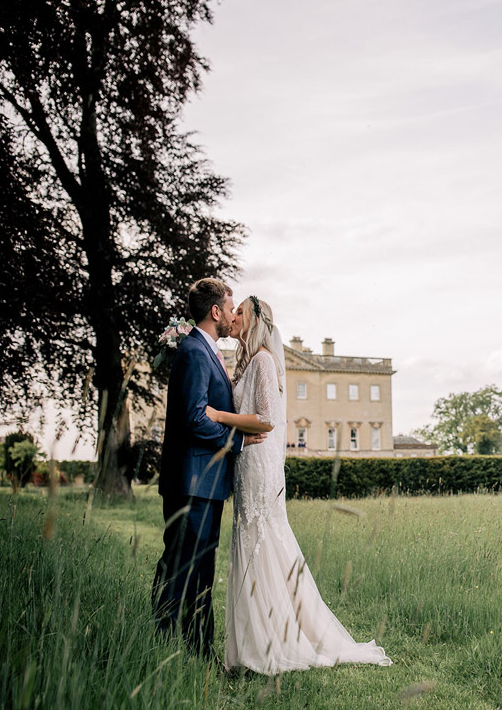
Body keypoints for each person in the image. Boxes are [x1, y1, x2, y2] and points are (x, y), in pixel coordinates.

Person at [207, 295, 392, 674]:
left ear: (256, 319)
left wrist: (218, 415)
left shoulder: (262, 359)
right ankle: (255, 639)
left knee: (260, 540)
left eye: (240, 311)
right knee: (255, 541)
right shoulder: (244, 362)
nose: (233, 316)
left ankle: (269, 643)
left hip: (258, 462)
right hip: (247, 463)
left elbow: (266, 419)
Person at [152, 278, 268, 659]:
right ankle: (166, 649)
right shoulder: (195, 352)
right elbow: (194, 418)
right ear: (215, 311)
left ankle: (198, 651)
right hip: (193, 482)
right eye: (231, 309)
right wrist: (237, 441)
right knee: (183, 569)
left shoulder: (206, 350)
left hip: (204, 482)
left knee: (198, 570)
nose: (234, 316)